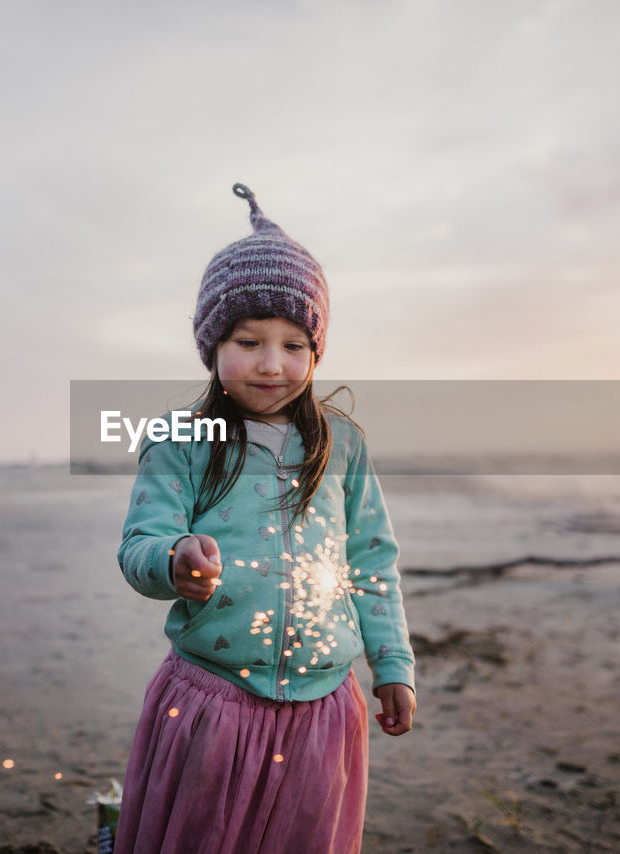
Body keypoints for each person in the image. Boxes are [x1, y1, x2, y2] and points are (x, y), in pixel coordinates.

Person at [114, 184, 416, 853]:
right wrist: (174, 561)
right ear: (211, 347)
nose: (273, 364)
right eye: (248, 341)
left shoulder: (343, 445)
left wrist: (391, 663)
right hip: (211, 706)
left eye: (295, 345)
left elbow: (370, 561)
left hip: (323, 713)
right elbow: (140, 545)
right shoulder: (177, 442)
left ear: (316, 352)